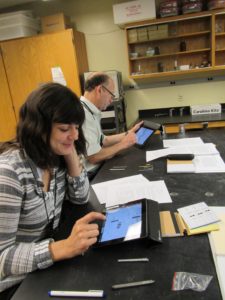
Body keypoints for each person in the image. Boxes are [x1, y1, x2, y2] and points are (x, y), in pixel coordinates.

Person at [0, 82, 105, 299]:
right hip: (14, 284)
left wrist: (70, 154)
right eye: (65, 129)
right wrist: (60, 248)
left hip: (41, 268)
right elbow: (1, 259)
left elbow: (80, 196)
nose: (75, 135)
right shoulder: (9, 174)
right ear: (37, 128)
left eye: (77, 127)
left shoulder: (53, 156)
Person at [81, 72, 143, 179]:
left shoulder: (89, 110)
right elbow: (94, 157)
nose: (111, 100)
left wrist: (129, 132)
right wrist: (122, 144)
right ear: (99, 90)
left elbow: (103, 140)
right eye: (111, 94)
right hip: (90, 176)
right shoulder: (83, 115)